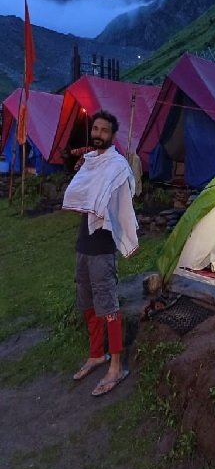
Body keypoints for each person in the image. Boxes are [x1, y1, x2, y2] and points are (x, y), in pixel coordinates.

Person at [62, 110, 139, 396]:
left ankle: (116, 367)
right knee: (88, 304)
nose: (98, 134)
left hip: (102, 249)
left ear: (112, 135)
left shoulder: (117, 167)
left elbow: (123, 203)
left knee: (108, 306)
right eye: (95, 128)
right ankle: (97, 354)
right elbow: (82, 193)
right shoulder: (91, 163)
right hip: (83, 245)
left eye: (104, 130)